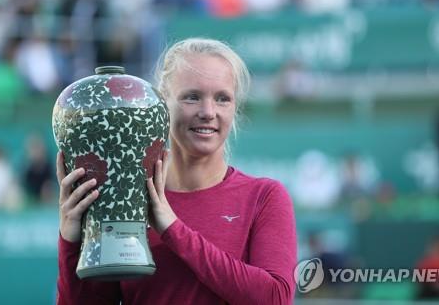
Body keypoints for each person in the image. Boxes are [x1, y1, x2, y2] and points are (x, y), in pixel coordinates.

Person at [56, 38, 297, 304]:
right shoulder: (125, 197)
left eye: (222, 99)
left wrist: (172, 228)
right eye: (192, 97)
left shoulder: (264, 196)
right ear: (163, 106)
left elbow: (275, 298)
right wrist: (70, 241)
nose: (208, 112)